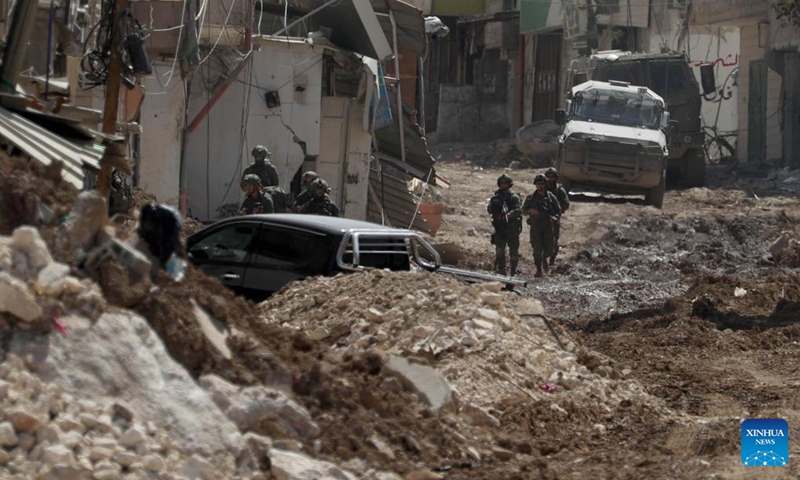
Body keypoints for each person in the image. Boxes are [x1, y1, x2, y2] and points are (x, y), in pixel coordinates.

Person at [523, 174, 561, 278]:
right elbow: (524, 210)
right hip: (536, 226)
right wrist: (531, 210)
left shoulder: (551, 197)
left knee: (551, 249)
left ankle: (545, 258)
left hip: (548, 226)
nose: (540, 186)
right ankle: (539, 269)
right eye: (538, 184)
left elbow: (558, 211)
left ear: (545, 184)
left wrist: (554, 218)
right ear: (535, 185)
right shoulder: (531, 198)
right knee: (536, 250)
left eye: (542, 184)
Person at [487, 174, 522, 276]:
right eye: (501, 183)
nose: (503, 185)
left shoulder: (514, 197)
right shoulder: (495, 198)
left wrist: (508, 215)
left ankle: (513, 269)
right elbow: (489, 210)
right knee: (499, 250)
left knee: (513, 250)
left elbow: (517, 210)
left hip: (512, 228)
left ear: (509, 184)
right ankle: (501, 269)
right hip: (500, 228)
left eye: (505, 183)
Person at [544, 167, 569, 267]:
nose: (550, 179)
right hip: (542, 218)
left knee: (554, 239)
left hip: (554, 218)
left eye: (552, 177)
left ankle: (552, 260)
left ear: (556, 178)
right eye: (548, 177)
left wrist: (558, 212)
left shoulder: (559, 190)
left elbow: (566, 203)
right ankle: (543, 259)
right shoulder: (542, 188)